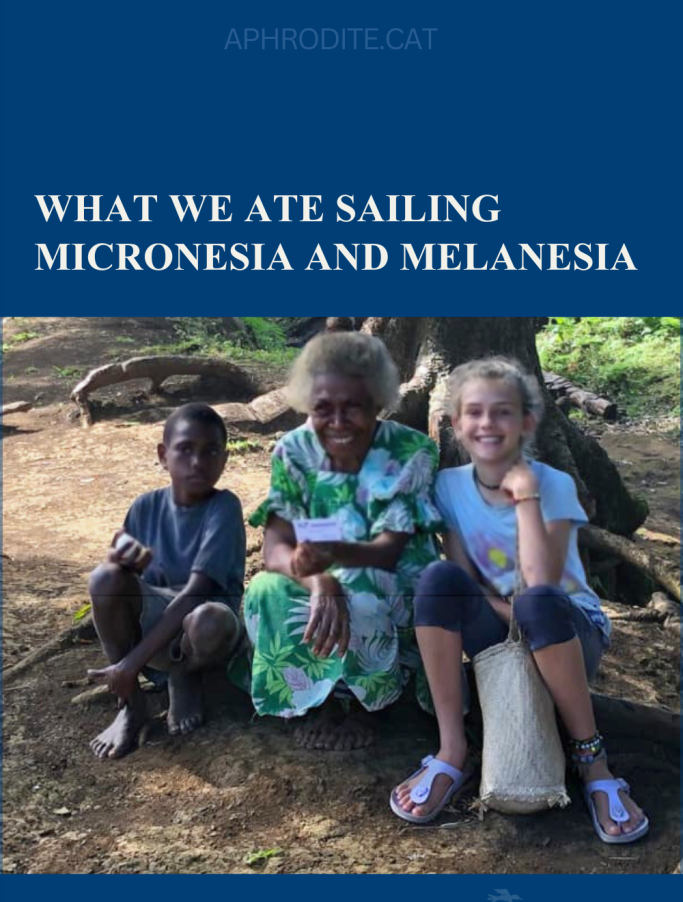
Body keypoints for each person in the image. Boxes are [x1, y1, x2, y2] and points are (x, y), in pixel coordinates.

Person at [391, 357, 648, 844]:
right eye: (474, 413)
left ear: (527, 422)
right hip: (502, 621)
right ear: (455, 425)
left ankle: (594, 763)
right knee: (437, 580)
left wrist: (526, 496)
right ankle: (452, 750)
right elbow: (463, 579)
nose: (488, 424)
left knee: (536, 601)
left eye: (503, 412)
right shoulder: (447, 486)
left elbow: (542, 579)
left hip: (567, 629)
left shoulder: (553, 483)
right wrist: (503, 610)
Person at [242, 331, 442, 751]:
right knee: (264, 588)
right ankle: (320, 702)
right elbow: (276, 546)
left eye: (352, 407)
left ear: (377, 401)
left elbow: (387, 549)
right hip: (321, 569)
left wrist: (325, 560)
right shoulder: (293, 451)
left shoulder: (411, 451)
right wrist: (319, 581)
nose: (336, 421)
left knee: (364, 589)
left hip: (390, 578)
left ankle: (374, 706)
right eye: (322, 409)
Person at [88, 402, 246, 759]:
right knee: (104, 577)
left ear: (224, 459)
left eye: (210, 451)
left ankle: (183, 675)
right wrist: (126, 663)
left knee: (209, 618)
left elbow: (196, 593)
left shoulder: (224, 508)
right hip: (155, 628)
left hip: (203, 637)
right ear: (163, 455)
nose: (197, 462)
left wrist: (133, 663)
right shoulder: (144, 507)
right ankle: (129, 704)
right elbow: (122, 575)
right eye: (185, 449)